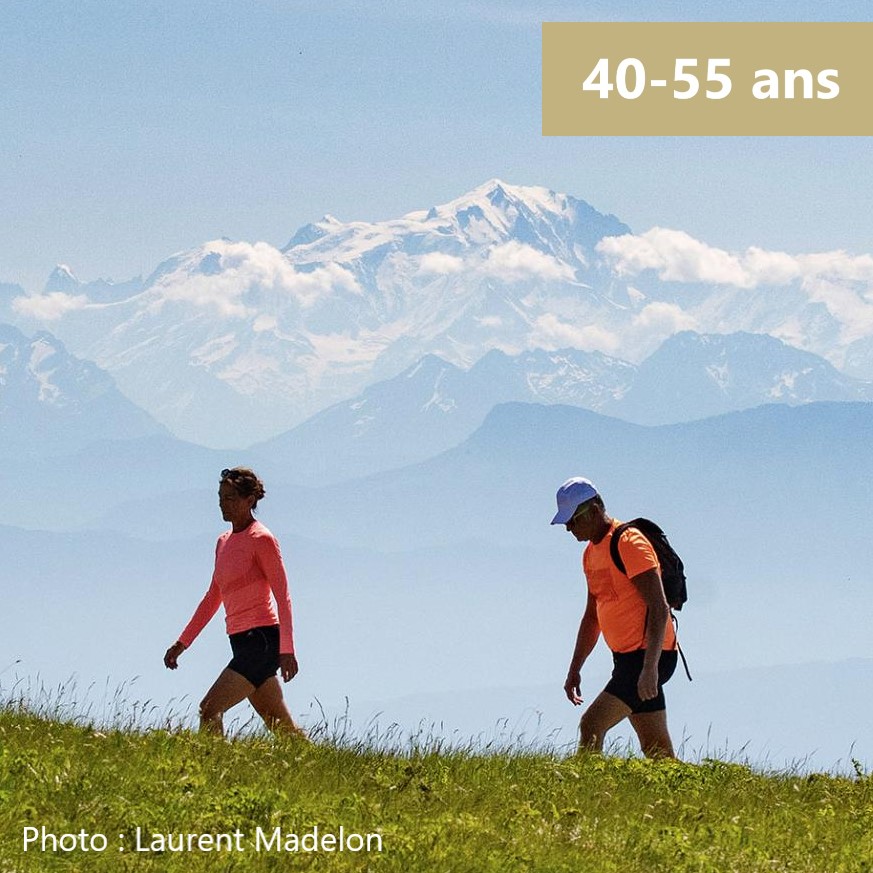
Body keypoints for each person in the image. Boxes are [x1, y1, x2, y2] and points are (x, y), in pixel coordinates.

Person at [163, 467, 304, 738]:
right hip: (240, 641)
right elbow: (212, 598)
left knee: (209, 709)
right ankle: (317, 772)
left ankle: (214, 772)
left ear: (250, 500)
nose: (222, 504)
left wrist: (287, 649)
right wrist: (182, 644)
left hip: (262, 641)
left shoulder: (262, 539)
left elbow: (283, 596)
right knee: (282, 727)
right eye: (220, 497)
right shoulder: (223, 542)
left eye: (230, 498)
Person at [552, 477, 678, 758]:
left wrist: (649, 669)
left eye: (572, 520)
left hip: (649, 656)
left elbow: (659, 608)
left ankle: (586, 795)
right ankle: (695, 795)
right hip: (628, 659)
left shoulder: (629, 543)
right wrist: (575, 668)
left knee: (592, 725)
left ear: (594, 510)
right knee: (659, 754)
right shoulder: (590, 554)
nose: (568, 528)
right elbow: (592, 616)